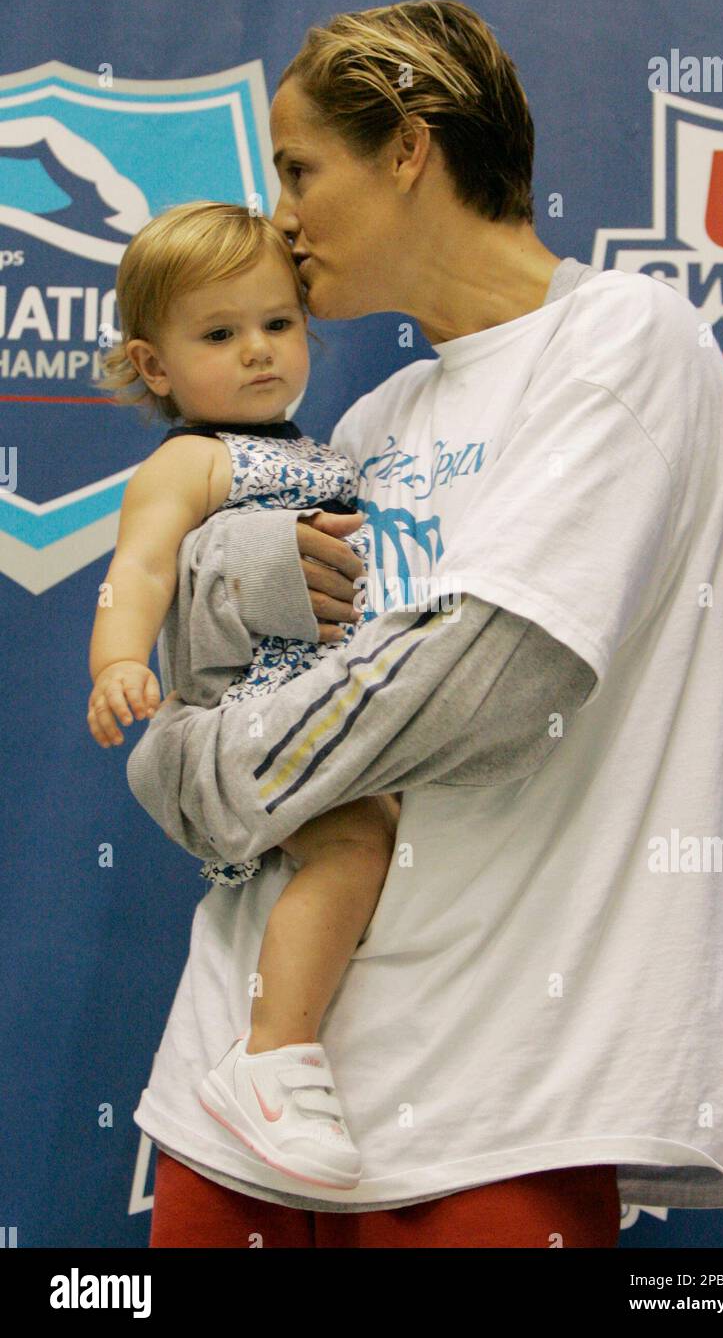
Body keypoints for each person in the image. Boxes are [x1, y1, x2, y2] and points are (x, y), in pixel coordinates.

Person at [127, 0, 723, 1248]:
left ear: (409, 147)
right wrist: (188, 745)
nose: (282, 216)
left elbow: (493, 677)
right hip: (234, 1093)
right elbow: (193, 683)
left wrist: (202, 773)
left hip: (496, 1107)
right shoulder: (367, 426)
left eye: (301, 168)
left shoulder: (624, 338)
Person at [87, 199, 405, 1191]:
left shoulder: (331, 453)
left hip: (335, 701)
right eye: (220, 334)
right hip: (256, 716)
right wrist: (117, 663)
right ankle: (270, 1054)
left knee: (378, 841)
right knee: (354, 842)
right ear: (155, 366)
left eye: (277, 322)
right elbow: (137, 571)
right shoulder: (192, 459)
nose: (259, 351)